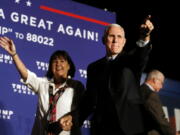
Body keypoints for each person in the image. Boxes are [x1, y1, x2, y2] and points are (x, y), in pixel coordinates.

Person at [61, 16, 154, 135]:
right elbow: (89, 101)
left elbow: (141, 55)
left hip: (131, 129)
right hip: (103, 129)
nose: (115, 40)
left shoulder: (131, 61)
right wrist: (73, 118)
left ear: (124, 42)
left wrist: (144, 36)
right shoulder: (94, 68)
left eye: (119, 37)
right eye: (111, 36)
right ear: (104, 39)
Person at [0, 37, 85, 135]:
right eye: (55, 61)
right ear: (50, 66)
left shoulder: (76, 87)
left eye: (62, 61)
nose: (58, 64)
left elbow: (81, 111)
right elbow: (26, 75)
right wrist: (14, 55)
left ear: (69, 66)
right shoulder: (43, 84)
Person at [140, 70, 175, 135]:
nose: (161, 87)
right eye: (161, 83)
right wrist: (173, 133)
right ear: (154, 80)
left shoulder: (138, 90)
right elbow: (160, 119)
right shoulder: (151, 94)